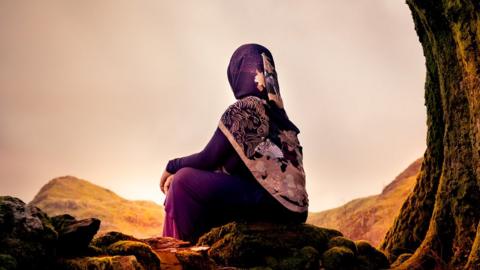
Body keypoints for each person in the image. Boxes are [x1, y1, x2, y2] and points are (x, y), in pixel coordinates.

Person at [160, 43, 309, 243]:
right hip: (295, 210)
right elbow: (229, 166)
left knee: (183, 181)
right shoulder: (282, 120)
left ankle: (185, 249)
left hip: (271, 202)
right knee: (200, 181)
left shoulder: (246, 108)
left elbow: (208, 158)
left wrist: (172, 166)